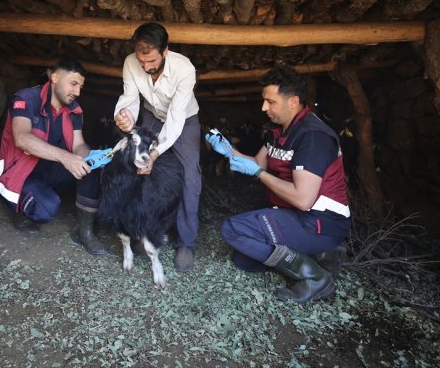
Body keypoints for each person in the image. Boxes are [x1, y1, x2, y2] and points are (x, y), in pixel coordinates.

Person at [205, 66, 351, 303]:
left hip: (319, 221)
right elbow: (256, 162)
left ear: (293, 101)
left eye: (270, 102)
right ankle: (320, 254)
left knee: (232, 229)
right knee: (244, 261)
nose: (264, 108)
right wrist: (228, 150)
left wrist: (259, 174)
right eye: (264, 101)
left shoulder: (312, 136)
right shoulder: (277, 131)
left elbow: (303, 200)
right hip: (293, 215)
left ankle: (316, 278)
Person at [0, 58, 113, 256]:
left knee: (90, 169)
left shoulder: (74, 110)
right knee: (46, 209)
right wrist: (66, 157)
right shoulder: (27, 98)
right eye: (73, 83)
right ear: (55, 77)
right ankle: (23, 213)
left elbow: (78, 144)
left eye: (81, 87)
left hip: (49, 168)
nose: (77, 92)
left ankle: (85, 232)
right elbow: (22, 138)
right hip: (18, 171)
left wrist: (90, 157)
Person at [113, 22, 201, 272]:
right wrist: (124, 116)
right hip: (151, 114)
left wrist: (154, 152)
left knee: (190, 177)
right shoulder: (131, 62)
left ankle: (186, 243)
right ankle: (143, 231)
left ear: (166, 50)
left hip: (185, 119)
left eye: (151, 60)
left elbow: (175, 118)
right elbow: (130, 98)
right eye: (141, 62)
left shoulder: (184, 69)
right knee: (138, 169)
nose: (146, 67)